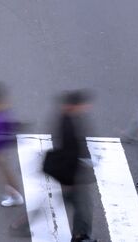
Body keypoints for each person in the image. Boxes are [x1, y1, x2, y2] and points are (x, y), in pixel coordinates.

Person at [51, 90, 96, 242]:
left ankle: (80, 235)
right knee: (82, 206)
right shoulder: (68, 126)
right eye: (81, 105)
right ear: (73, 106)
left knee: (79, 205)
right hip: (72, 175)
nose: (84, 108)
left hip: (72, 173)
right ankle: (80, 237)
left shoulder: (68, 120)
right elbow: (69, 152)